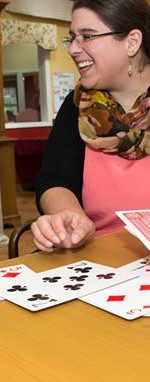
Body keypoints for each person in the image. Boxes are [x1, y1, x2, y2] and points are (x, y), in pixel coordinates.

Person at [32, 0, 150, 252]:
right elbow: (55, 179)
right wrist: (69, 215)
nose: (73, 49)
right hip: (96, 257)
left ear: (132, 42)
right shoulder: (75, 106)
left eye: (87, 36)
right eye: (72, 38)